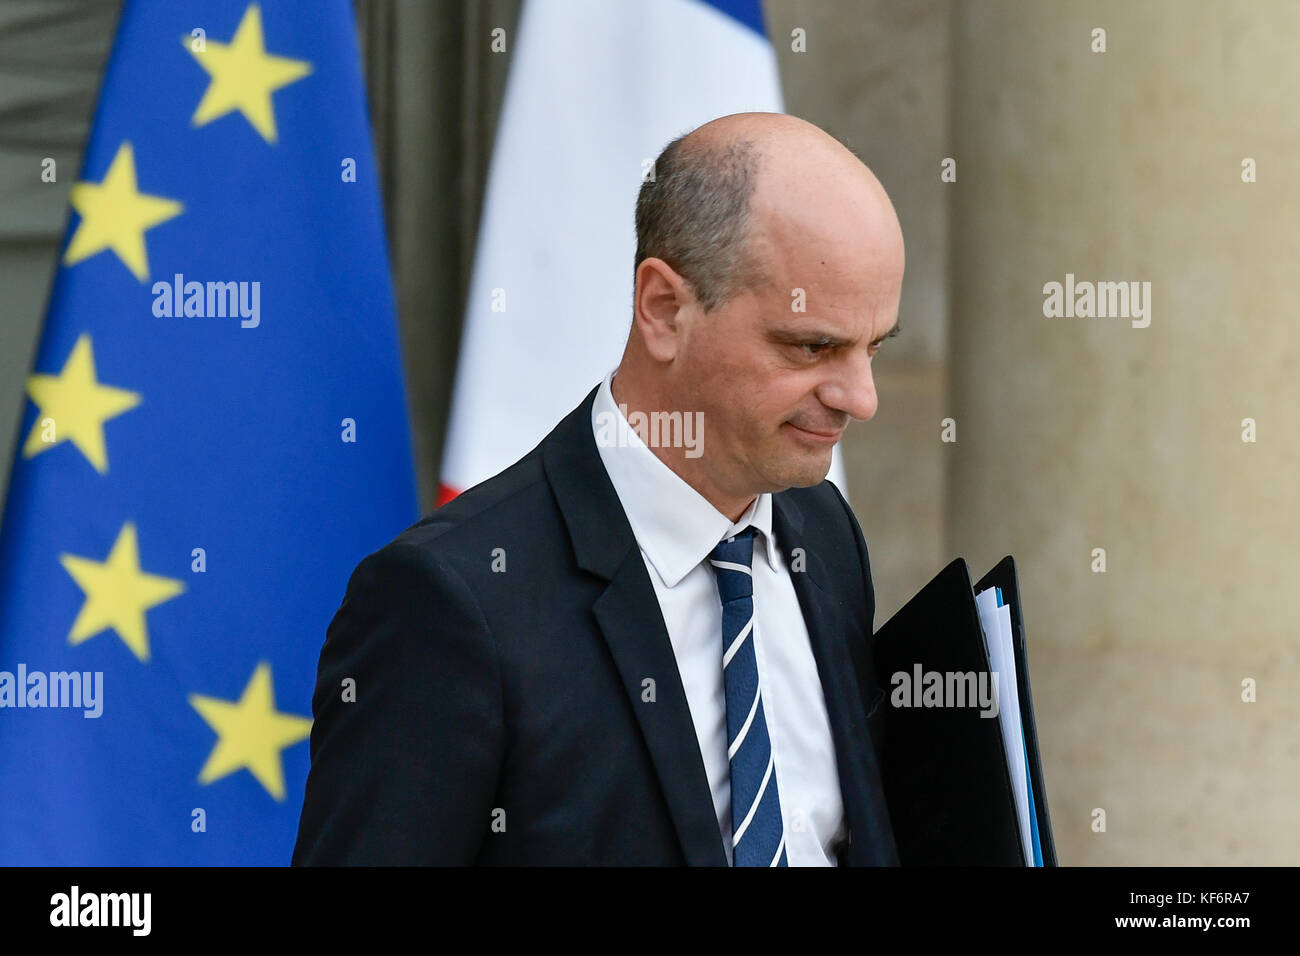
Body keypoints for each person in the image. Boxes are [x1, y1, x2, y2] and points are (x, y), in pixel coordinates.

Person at [292, 111, 906, 866]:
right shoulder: (450, 604)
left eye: (875, 347)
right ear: (663, 309)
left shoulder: (823, 533)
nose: (861, 397)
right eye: (814, 346)